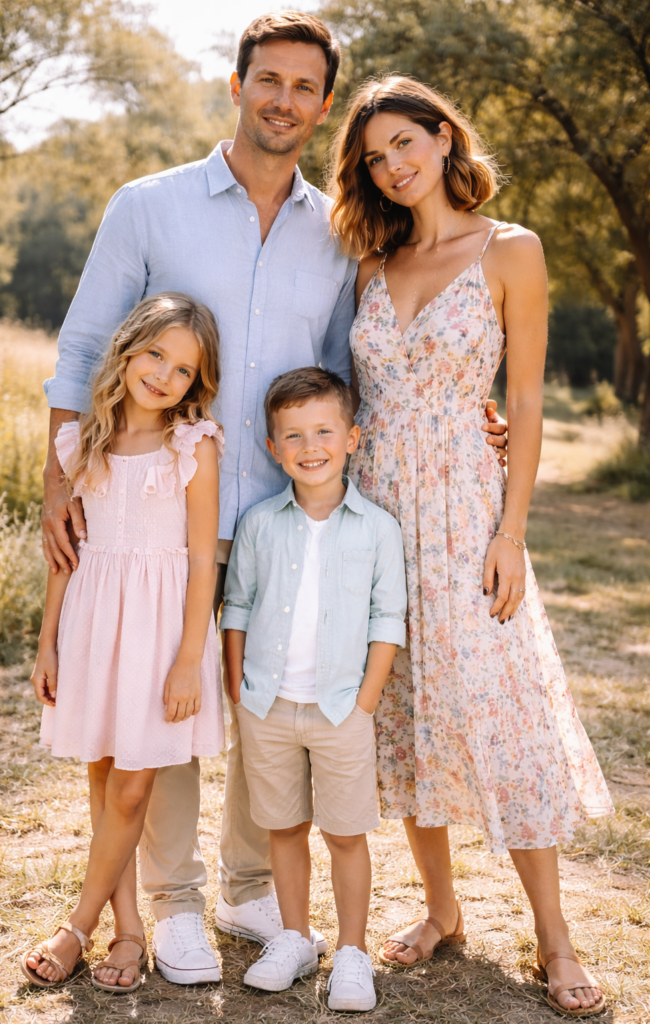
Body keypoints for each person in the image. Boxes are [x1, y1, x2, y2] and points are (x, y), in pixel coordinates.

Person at [39, 12, 507, 981]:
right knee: (160, 706)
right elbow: (85, 350)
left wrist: (475, 414)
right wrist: (57, 483)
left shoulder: (338, 231)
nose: (284, 100)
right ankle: (168, 902)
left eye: (304, 87)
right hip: (163, 515)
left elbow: (352, 366)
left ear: (323, 103)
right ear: (238, 83)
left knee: (267, 693)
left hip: (285, 516)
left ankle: (248, 881)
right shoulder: (147, 206)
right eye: (269, 80)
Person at [330, 76, 613, 1018]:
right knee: (403, 710)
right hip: (373, 514)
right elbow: (356, 400)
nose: (393, 165)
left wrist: (512, 530)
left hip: (465, 509)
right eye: (375, 156)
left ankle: (553, 937)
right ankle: (443, 910)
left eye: (406, 142)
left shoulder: (510, 250)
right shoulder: (369, 263)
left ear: (445, 138)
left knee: (501, 711)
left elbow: (524, 401)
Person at [23, 293, 225, 993]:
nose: (165, 375)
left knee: (134, 788)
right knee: (106, 777)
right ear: (127, 350)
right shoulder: (81, 442)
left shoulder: (193, 446)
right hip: (92, 623)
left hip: (159, 632)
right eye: (156, 355)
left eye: (183, 369)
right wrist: (47, 643)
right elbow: (66, 554)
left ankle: (76, 927)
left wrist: (189, 659)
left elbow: (202, 561)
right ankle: (129, 930)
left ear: (196, 384)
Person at [222, 367, 407, 1012]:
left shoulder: (377, 528)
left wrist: (365, 701)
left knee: (347, 833)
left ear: (352, 437)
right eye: (293, 435)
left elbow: (389, 618)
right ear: (274, 448)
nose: (310, 446)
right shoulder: (259, 523)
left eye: (324, 430)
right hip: (268, 705)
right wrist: (238, 690)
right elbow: (238, 607)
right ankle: (296, 939)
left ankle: (353, 953)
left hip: (340, 708)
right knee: (282, 827)